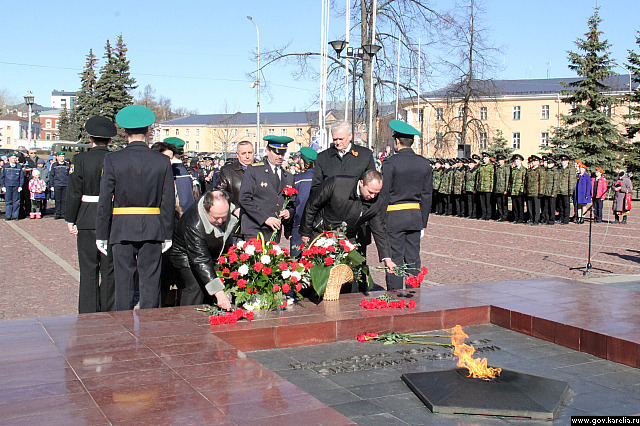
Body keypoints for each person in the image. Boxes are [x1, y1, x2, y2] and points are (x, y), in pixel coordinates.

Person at [96, 105, 175, 311]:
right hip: (152, 226)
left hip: (121, 227)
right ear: (148, 132)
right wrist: (167, 233)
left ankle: (123, 325)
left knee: (123, 283)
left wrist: (101, 233)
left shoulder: (113, 159)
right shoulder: (162, 161)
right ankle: (150, 325)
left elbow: (105, 200)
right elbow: (167, 201)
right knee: (150, 281)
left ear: (124, 133)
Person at [299, 170, 396, 292]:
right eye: (370, 192)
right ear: (361, 183)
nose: (373, 196)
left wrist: (387, 258)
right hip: (321, 231)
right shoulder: (337, 184)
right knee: (314, 273)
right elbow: (312, 205)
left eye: (377, 193)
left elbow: (379, 229)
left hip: (346, 238)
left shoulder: (376, 202)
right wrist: (306, 232)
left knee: (346, 278)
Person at [66, 116, 117, 314]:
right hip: (111, 217)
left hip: (87, 216)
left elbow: (74, 192)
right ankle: (107, 308)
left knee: (88, 269)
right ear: (110, 141)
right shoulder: (115, 158)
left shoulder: (80, 160)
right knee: (108, 269)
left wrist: (71, 218)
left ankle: (87, 310)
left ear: (90, 139)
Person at [381, 120, 432, 290]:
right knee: (413, 259)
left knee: (395, 259)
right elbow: (426, 196)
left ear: (396, 141)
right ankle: (413, 295)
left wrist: (380, 219)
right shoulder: (424, 163)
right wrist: (422, 222)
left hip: (394, 216)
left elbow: (384, 193)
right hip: (415, 216)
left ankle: (395, 296)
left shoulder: (390, 163)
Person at [169, 190, 235, 308]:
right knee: (195, 287)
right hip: (185, 255)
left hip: (211, 252)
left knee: (211, 286)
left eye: (224, 217)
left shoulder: (225, 198)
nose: (220, 221)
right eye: (216, 218)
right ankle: (188, 319)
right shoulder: (194, 224)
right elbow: (200, 260)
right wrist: (219, 294)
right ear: (205, 209)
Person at [239, 135, 295, 243]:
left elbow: (292, 203)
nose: (280, 157)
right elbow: (245, 199)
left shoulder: (288, 176)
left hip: (274, 231)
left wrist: (289, 212)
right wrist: (265, 218)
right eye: (277, 153)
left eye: (282, 153)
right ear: (268, 150)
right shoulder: (254, 170)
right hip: (255, 228)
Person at [311, 122, 375, 192]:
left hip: (357, 201)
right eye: (335, 139)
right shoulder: (323, 157)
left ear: (350, 136)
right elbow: (316, 187)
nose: (338, 142)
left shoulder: (365, 155)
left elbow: (372, 183)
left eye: (341, 139)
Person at [289, 147, 316, 257]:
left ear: (303, 161)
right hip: (316, 225)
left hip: (299, 224)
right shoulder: (322, 178)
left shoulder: (297, 178)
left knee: (298, 263)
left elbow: (292, 203)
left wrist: (288, 227)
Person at [216, 140, 255, 218]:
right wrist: (233, 209)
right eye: (243, 153)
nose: (247, 156)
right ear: (237, 154)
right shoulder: (227, 171)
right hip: (237, 217)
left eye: (250, 153)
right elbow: (219, 194)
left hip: (259, 219)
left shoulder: (262, 169)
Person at [1, 153, 24, 221]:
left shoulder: (18, 167)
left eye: (15, 158)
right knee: (8, 201)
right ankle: (8, 216)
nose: (14, 159)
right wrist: (3, 186)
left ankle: (15, 216)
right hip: (8, 186)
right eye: (12, 158)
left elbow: (21, 177)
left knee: (16, 201)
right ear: (9, 158)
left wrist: (20, 186)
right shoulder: (5, 166)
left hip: (16, 186)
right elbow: (2, 177)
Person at [48, 151, 71, 219]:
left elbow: (69, 175)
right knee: (57, 200)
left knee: (64, 200)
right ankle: (57, 213)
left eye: (63, 157)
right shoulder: (54, 165)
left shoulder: (67, 165)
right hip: (57, 184)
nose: (62, 158)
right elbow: (52, 175)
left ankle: (63, 213)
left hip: (65, 184)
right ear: (57, 157)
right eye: (60, 156)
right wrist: (51, 185)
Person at [556, 155, 577, 225]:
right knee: (560, 205)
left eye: (564, 161)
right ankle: (561, 218)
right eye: (562, 161)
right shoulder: (560, 169)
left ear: (567, 161)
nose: (563, 162)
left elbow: (572, 181)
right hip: (559, 190)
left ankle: (566, 219)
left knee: (566, 205)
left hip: (566, 191)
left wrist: (570, 191)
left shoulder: (571, 169)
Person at [475, 152, 494, 220]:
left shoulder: (491, 167)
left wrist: (491, 187)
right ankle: (483, 214)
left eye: (485, 158)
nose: (484, 159)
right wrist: (477, 186)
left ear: (489, 158)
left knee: (488, 202)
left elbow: (492, 178)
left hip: (488, 187)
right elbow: (478, 177)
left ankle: (488, 215)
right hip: (481, 187)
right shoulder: (481, 166)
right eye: (483, 158)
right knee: (482, 202)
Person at [525, 155, 543, 226]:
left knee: (536, 207)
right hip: (529, 191)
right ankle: (531, 219)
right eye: (533, 161)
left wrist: (540, 192)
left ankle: (536, 220)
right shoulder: (529, 170)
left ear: (538, 162)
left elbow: (541, 182)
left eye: (535, 161)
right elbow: (526, 181)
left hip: (536, 191)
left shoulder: (540, 170)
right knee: (530, 207)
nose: (533, 162)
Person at [509, 154, 526, 224]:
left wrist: (521, 190)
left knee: (520, 206)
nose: (516, 162)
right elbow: (511, 181)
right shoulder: (514, 170)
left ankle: (521, 218)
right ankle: (515, 218)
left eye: (518, 161)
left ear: (521, 161)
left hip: (519, 191)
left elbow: (523, 181)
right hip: (513, 191)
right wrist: (510, 189)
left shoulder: (524, 170)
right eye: (515, 161)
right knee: (514, 206)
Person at [541, 157, 558, 225]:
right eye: (548, 163)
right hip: (546, 191)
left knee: (552, 207)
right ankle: (546, 219)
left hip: (551, 192)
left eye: (550, 163)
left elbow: (556, 183)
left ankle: (551, 219)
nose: (548, 164)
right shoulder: (546, 171)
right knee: (546, 207)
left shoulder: (555, 171)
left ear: (553, 164)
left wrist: (554, 192)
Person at [493, 154, 510, 221]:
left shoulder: (506, 168)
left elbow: (507, 179)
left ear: (503, 160)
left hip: (503, 189)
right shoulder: (497, 168)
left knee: (504, 204)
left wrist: (506, 189)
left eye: (500, 160)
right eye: (498, 160)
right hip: (498, 189)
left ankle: (505, 216)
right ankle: (500, 216)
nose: (499, 161)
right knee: (499, 204)